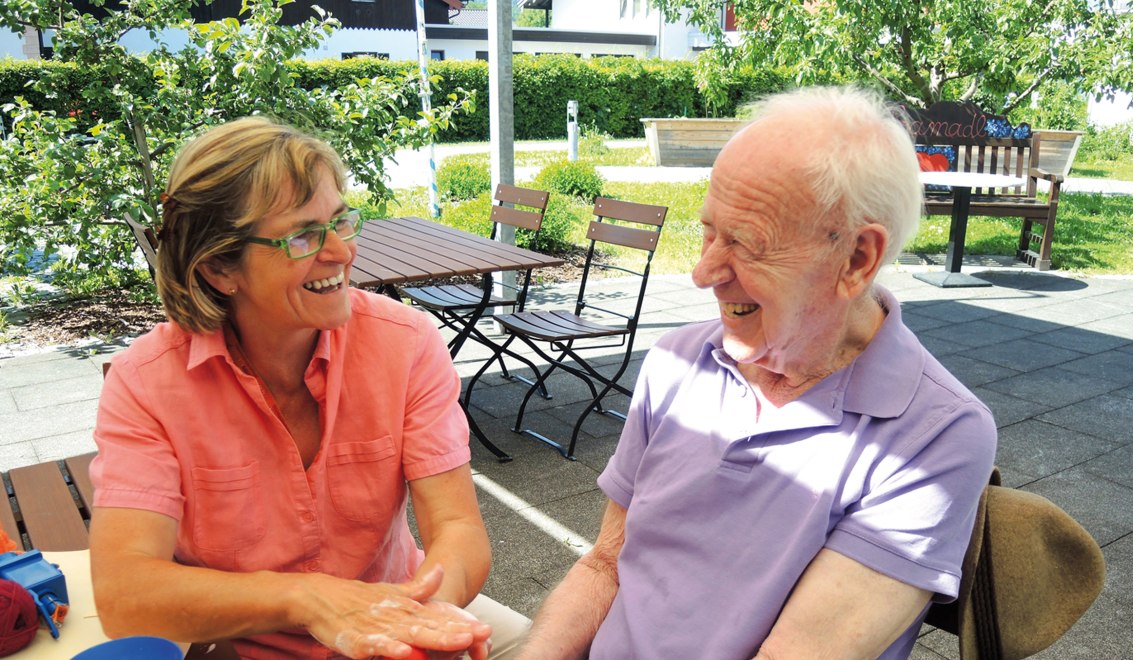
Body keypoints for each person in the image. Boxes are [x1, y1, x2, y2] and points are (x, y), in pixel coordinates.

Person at [517, 86, 998, 659]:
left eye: (746, 243)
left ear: (857, 259)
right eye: (709, 231)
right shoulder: (677, 362)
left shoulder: (935, 434)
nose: (702, 271)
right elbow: (605, 564)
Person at [89, 116, 528, 659]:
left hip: (398, 606)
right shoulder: (147, 383)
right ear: (220, 269)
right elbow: (125, 595)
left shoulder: (406, 344)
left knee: (549, 644)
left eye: (341, 222)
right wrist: (307, 599)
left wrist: (425, 613)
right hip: (239, 643)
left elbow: (457, 526)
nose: (341, 253)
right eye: (302, 236)